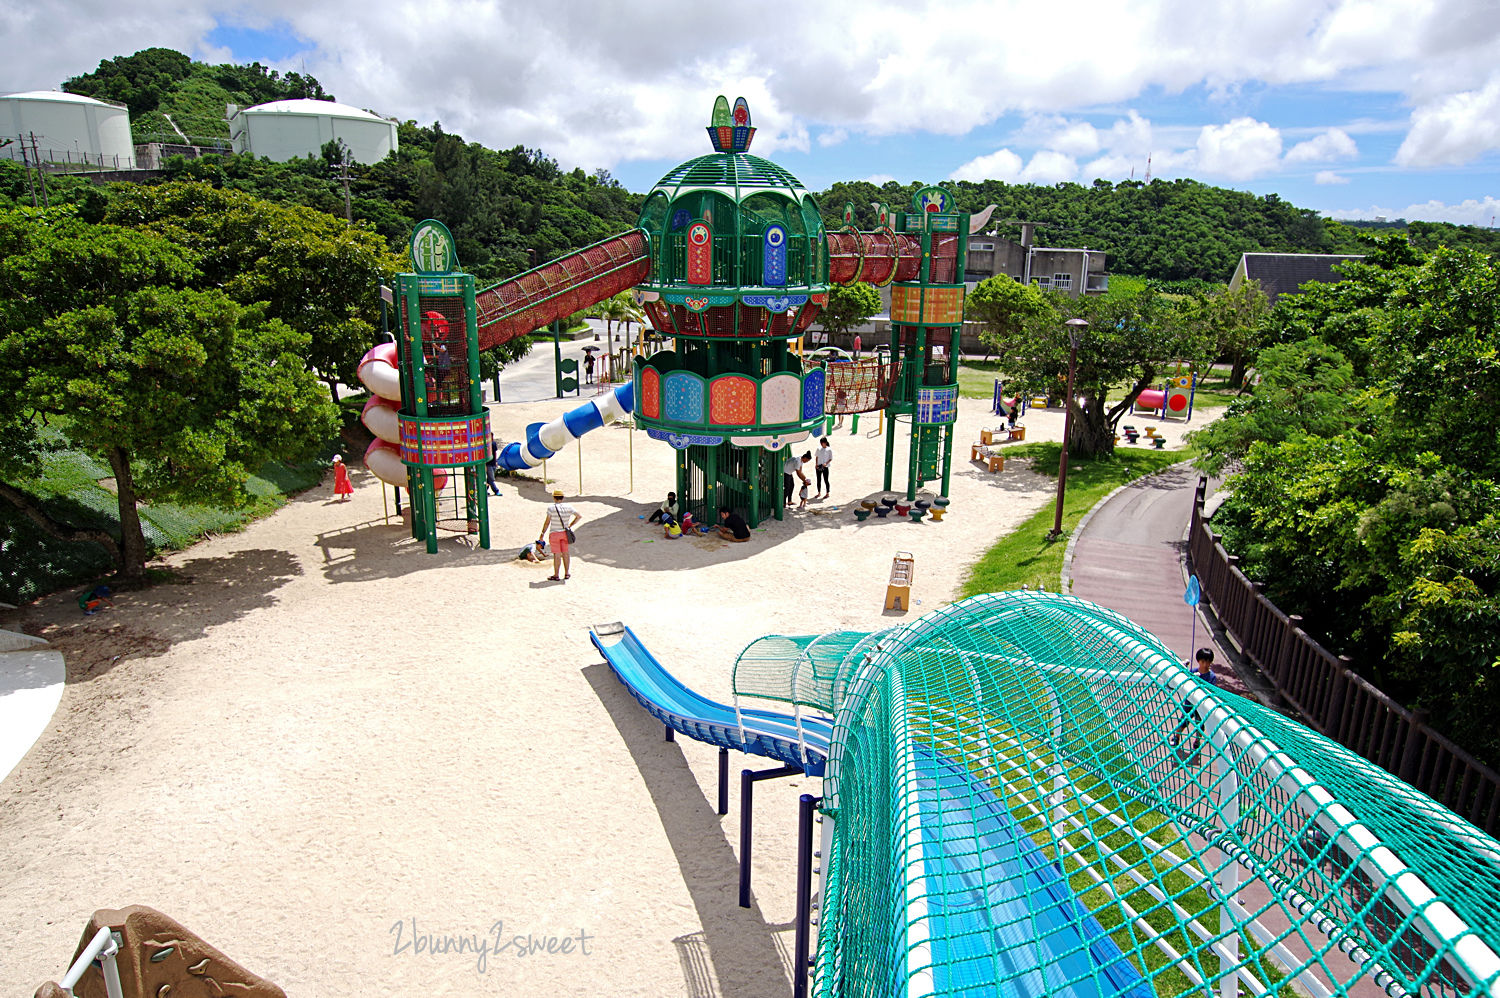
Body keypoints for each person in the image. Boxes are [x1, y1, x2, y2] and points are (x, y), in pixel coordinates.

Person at [1170, 648, 1220, 752]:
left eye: (1208, 662)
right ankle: (1176, 737)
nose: (1205, 664)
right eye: (1203, 661)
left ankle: (1197, 740)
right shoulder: (1193, 672)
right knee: (1183, 721)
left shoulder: (1211, 677)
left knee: (1200, 725)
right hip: (1190, 703)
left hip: (1202, 705)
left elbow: (1211, 690)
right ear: (1198, 661)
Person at [537, 489, 582, 581]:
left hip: (554, 533)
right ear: (562, 497)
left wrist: (542, 534)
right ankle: (566, 573)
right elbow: (579, 516)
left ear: (554, 497)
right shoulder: (569, 507)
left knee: (557, 554)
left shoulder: (551, 508)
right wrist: (570, 525)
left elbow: (547, 523)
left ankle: (556, 575)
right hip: (565, 533)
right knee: (565, 553)